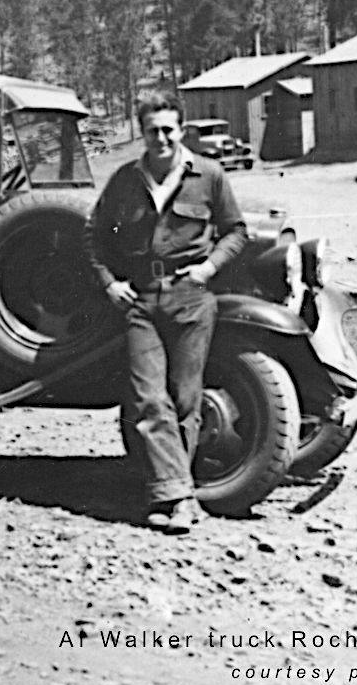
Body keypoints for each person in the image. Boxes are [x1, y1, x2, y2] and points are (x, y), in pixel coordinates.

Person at [83, 91, 247, 535]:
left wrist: (210, 267)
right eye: (152, 130)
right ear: (142, 132)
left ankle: (173, 497)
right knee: (148, 397)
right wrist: (110, 283)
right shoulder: (123, 182)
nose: (161, 138)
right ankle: (178, 498)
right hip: (140, 300)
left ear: (182, 130)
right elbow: (96, 237)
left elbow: (235, 231)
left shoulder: (208, 176)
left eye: (168, 129)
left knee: (185, 398)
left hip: (190, 298)